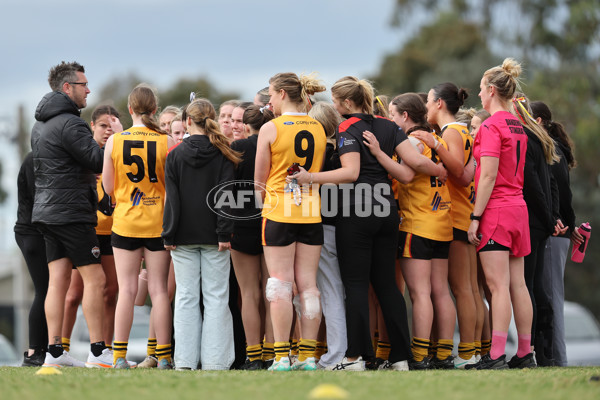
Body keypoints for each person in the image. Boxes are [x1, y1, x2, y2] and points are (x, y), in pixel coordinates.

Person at [292, 77, 446, 371]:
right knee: (388, 286)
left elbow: (350, 173)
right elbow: (408, 173)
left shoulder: (347, 127)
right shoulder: (389, 126)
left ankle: (355, 358)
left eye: (337, 102)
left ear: (347, 103)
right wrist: (381, 154)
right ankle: (401, 358)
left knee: (357, 286)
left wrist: (308, 177)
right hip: (387, 212)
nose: (335, 107)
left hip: (356, 213)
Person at [31, 61, 112, 368]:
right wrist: (115, 140)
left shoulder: (40, 124)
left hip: (46, 212)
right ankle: (98, 352)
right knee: (96, 279)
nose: (88, 89)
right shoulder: (71, 123)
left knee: (57, 282)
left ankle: (54, 353)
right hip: (72, 213)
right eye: (83, 85)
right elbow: (96, 161)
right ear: (67, 88)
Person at [255, 72, 327, 371]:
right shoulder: (319, 126)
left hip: (279, 212)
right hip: (311, 212)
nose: (269, 100)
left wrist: (263, 208)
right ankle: (309, 357)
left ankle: (282, 356)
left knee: (280, 286)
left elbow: (258, 181)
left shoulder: (271, 128)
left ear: (283, 93)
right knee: (309, 286)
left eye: (271, 94)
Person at [467, 58, 535, 369]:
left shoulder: (492, 125)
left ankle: (495, 356)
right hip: (518, 210)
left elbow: (488, 176)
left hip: (496, 210)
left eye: (481, 90)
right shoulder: (518, 124)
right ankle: (525, 352)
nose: (479, 96)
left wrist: (476, 216)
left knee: (497, 286)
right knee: (517, 284)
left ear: (492, 91)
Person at [163, 98, 240, 370]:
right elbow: (226, 198)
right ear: (213, 121)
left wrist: (169, 234)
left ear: (186, 122)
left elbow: (172, 200)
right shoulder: (223, 154)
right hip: (215, 237)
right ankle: (215, 363)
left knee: (185, 297)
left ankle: (184, 361)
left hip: (181, 236)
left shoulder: (174, 155)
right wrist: (224, 233)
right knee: (217, 297)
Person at [103, 84, 175, 369]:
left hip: (125, 223)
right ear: (155, 109)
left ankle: (119, 357)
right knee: (158, 291)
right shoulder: (166, 140)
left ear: (130, 109)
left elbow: (108, 186)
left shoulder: (114, 141)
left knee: (127, 290)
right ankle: (163, 356)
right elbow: (171, 186)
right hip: (158, 222)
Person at [383, 92, 456, 370]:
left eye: (392, 114)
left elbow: (407, 172)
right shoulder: (436, 138)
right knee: (440, 292)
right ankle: (443, 354)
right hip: (442, 222)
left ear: (405, 116)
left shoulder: (412, 140)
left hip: (417, 224)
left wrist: (379, 154)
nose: (390, 119)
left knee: (419, 294)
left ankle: (419, 354)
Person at [414, 82, 478, 369]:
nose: (426, 107)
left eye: (428, 101)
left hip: (456, 216)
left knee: (462, 289)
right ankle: (473, 350)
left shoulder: (451, 132)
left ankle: (466, 353)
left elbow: (461, 175)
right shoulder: (462, 131)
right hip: (463, 215)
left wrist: (434, 144)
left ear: (439, 103)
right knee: (469, 289)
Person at [60, 105, 123, 363]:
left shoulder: (120, 152)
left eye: (112, 126)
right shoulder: (84, 154)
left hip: (114, 230)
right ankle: (59, 349)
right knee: (73, 293)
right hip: (85, 229)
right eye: (102, 126)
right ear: (92, 127)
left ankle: (103, 351)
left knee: (111, 291)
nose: (108, 131)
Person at [531, 100, 582, 367]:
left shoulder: (551, 149)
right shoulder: (550, 147)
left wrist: (566, 223)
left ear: (537, 121)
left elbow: (561, 192)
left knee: (551, 297)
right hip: (556, 230)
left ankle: (557, 360)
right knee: (548, 295)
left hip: (555, 232)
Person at [513, 95, 561, 366]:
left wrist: (547, 217)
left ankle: (528, 348)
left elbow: (533, 184)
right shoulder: (540, 139)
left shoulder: (526, 140)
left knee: (527, 284)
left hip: (531, 221)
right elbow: (551, 185)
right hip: (540, 221)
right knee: (534, 285)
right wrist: (552, 217)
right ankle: (541, 351)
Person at [230, 104, 275, 370]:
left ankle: (253, 354)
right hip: (272, 221)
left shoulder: (237, 148)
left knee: (248, 294)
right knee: (273, 293)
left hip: (242, 223)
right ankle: (272, 351)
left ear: (246, 126)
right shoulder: (275, 144)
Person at [306, 101, 347, 370]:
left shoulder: (322, 153)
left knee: (330, 292)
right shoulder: (344, 149)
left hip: (324, 225)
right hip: (345, 224)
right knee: (336, 290)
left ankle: (336, 354)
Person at [15, 151, 48, 367]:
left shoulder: (38, 157)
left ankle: (42, 350)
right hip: (32, 232)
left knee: (46, 291)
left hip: (33, 231)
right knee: (43, 291)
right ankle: (35, 351)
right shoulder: (34, 159)